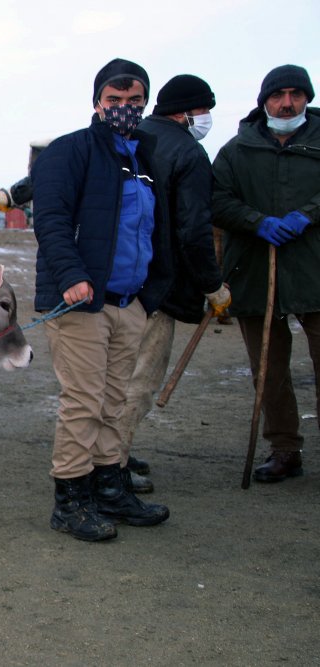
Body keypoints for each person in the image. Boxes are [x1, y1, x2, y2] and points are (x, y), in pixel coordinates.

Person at [33, 58, 173, 542]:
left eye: (135, 101)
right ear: (97, 102)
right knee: (84, 401)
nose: (124, 109)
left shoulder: (145, 157)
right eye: (114, 101)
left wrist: (151, 293)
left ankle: (109, 489)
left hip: (129, 301)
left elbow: (156, 227)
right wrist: (71, 274)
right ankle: (70, 499)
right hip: (82, 303)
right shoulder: (69, 152)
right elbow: (50, 218)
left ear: (145, 103)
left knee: (116, 401)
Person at [119, 75, 232, 493]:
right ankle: (111, 466)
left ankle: (114, 452)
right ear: (186, 112)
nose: (206, 118)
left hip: (115, 280)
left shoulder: (128, 136)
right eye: (204, 110)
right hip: (157, 287)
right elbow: (194, 231)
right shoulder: (188, 151)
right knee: (139, 382)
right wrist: (212, 286)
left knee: (111, 376)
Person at [211, 64, 320, 484]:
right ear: (265, 100)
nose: (287, 103)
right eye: (278, 95)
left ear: (306, 98)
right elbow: (216, 199)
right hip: (256, 271)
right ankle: (285, 448)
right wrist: (256, 221)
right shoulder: (237, 149)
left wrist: (307, 216)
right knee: (269, 369)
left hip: (315, 269)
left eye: (296, 94)